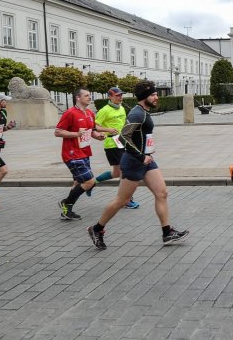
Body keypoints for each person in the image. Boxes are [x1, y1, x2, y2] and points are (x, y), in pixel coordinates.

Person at [86, 81, 188, 249]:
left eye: (156, 94)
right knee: (122, 200)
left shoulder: (144, 112)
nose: (157, 97)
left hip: (146, 160)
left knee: (162, 193)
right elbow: (124, 137)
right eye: (153, 95)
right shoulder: (137, 113)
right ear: (144, 97)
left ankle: (167, 232)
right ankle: (97, 229)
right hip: (134, 162)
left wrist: (146, 154)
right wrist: (141, 156)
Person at [55, 87, 105, 220]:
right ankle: (66, 203)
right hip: (72, 154)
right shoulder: (70, 113)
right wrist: (76, 134)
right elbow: (58, 132)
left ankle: (66, 211)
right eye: (87, 95)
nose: (90, 97)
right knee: (89, 182)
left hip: (85, 152)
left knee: (78, 182)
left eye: (90, 95)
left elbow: (91, 131)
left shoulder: (90, 113)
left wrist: (98, 136)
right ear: (78, 97)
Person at [93, 87, 140, 209]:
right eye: (117, 95)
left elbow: (124, 124)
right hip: (111, 144)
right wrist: (107, 129)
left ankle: (93, 183)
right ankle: (126, 200)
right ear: (110, 97)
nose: (120, 97)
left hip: (122, 142)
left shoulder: (122, 108)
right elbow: (94, 126)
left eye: (121, 95)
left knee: (116, 173)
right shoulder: (104, 110)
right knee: (125, 171)